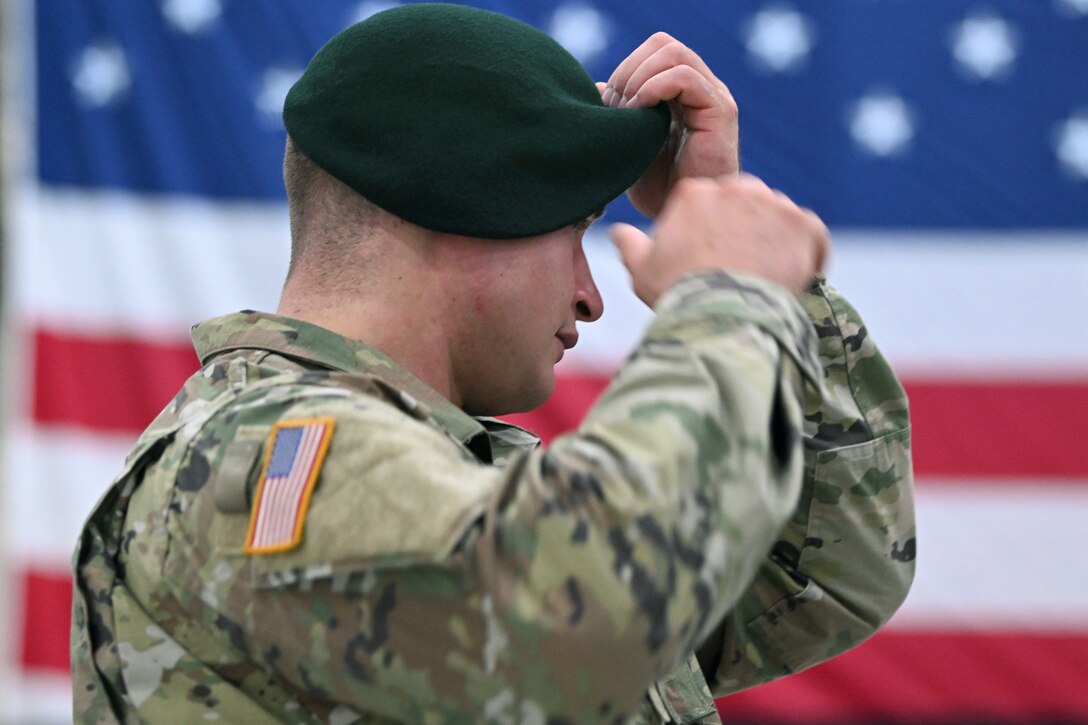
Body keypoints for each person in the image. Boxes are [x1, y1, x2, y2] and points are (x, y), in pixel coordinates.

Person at [71, 4, 915, 723]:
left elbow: (829, 574)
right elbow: (578, 613)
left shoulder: (444, 480)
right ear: (464, 206)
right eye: (573, 232)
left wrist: (744, 248)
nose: (592, 296)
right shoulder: (259, 459)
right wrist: (727, 305)